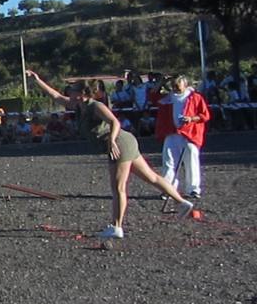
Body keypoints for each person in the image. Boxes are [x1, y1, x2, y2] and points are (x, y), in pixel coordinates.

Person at [26, 69, 194, 243]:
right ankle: (181, 202)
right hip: (123, 143)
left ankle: (116, 226)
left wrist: (112, 141)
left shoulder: (95, 106)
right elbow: (55, 96)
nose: (69, 92)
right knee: (151, 177)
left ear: (82, 93)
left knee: (118, 188)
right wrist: (37, 80)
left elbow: (115, 122)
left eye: (74, 90)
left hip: (119, 144)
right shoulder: (78, 106)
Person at [157, 74, 210, 199]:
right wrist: (160, 83)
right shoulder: (168, 98)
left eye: (178, 86)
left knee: (191, 159)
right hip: (172, 133)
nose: (175, 88)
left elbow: (205, 115)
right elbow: (153, 97)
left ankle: (193, 189)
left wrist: (191, 119)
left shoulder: (195, 97)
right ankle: (168, 189)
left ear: (185, 85)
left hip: (190, 134)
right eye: (173, 86)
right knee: (168, 162)